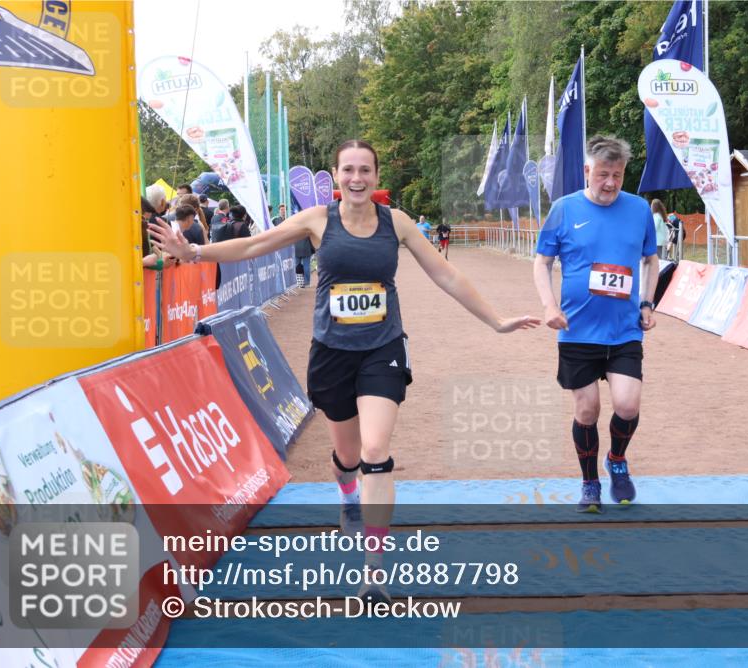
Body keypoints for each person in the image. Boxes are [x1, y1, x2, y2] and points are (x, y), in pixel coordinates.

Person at [149, 139, 539, 601]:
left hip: (383, 347)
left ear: (376, 177)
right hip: (332, 352)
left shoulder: (396, 223)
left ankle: (375, 571)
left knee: (376, 449)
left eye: (365, 171)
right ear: (336, 176)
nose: (357, 179)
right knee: (348, 458)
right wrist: (195, 254)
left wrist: (495, 320)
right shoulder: (318, 220)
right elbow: (254, 244)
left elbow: (446, 274)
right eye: (348, 170)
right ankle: (348, 492)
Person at [532, 135, 658, 513]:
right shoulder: (564, 209)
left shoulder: (638, 210)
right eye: (603, 174)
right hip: (578, 332)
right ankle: (590, 483)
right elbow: (542, 262)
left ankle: (616, 460)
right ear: (587, 171)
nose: (610, 183)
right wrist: (549, 306)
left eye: (617, 175)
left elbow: (651, 260)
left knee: (627, 405)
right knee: (587, 411)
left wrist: (649, 302)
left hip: (624, 331)